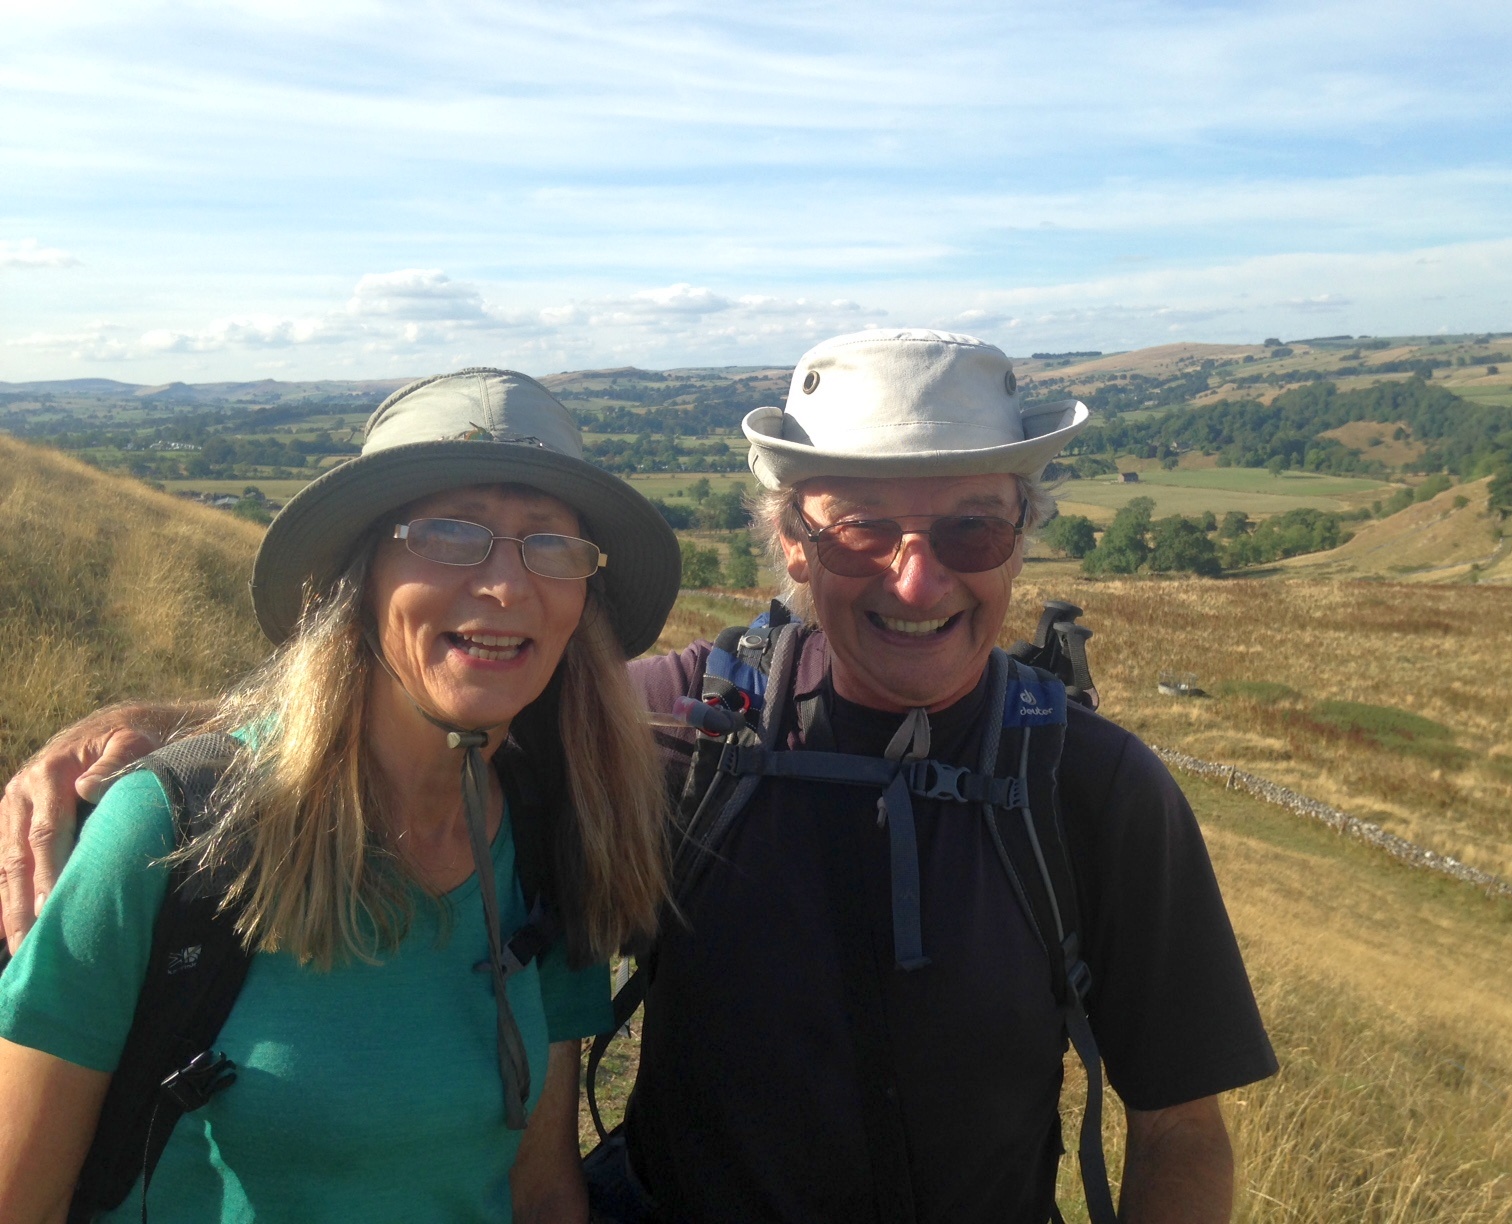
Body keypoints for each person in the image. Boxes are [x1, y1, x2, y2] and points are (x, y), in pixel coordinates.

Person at [4, 331, 1277, 1223]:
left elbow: (1180, 1132)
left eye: (971, 528)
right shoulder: (676, 729)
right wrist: (168, 732)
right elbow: (437, 693)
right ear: (790, 541)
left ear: (1021, 540)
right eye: (860, 529)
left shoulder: (1094, 788)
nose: (918, 577)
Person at [0, 368, 679, 1223]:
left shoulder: (551, 837)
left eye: (550, 544)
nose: (508, 587)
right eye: (450, 533)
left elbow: (541, 1189)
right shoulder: (172, 833)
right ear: (356, 576)